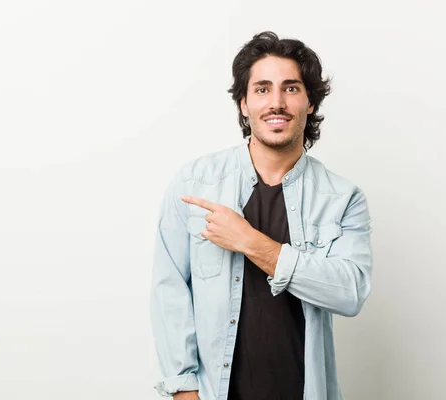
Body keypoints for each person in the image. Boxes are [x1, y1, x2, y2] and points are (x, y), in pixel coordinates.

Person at [150, 31, 373, 400]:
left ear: (310, 103)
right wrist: (184, 391)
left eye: (291, 88)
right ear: (243, 103)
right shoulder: (195, 183)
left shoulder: (343, 198)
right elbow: (168, 289)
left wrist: (250, 242)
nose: (276, 102)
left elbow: (351, 293)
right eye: (262, 89)